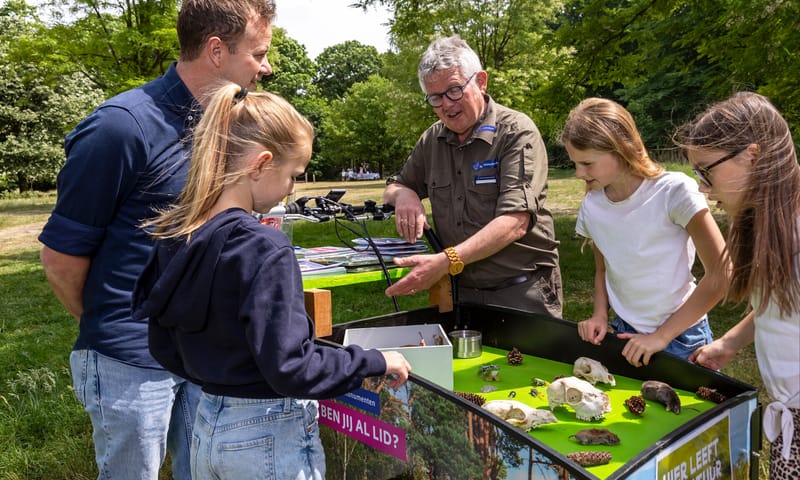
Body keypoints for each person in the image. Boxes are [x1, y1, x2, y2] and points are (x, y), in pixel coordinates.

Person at [37, 1, 277, 478]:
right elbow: (61, 259)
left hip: (199, 354)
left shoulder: (223, 126)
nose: (266, 67)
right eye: (259, 53)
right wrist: (120, 329)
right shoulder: (120, 126)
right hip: (129, 361)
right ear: (215, 51)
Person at [131, 83, 411, 480]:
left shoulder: (179, 234)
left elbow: (162, 344)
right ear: (261, 164)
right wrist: (374, 360)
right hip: (267, 430)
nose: (293, 188)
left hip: (206, 425)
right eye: (293, 175)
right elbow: (291, 366)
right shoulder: (264, 247)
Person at [383, 35, 562, 316]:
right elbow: (396, 184)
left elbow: (516, 221)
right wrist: (404, 194)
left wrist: (447, 260)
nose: (446, 104)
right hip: (460, 293)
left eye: (454, 90)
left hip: (521, 293)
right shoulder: (432, 139)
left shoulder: (516, 131)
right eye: (435, 97)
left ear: (481, 81)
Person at [678, 92, 800, 479]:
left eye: (706, 170)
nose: (701, 186)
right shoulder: (771, 229)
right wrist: (729, 343)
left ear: (751, 154)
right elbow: (779, 305)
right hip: (788, 415)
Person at [559, 98, 730, 366]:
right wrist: (599, 315)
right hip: (626, 335)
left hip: (683, 338)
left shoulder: (675, 192)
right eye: (575, 164)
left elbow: (722, 275)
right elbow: (603, 270)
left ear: (620, 149)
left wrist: (661, 337)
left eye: (587, 163)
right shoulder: (592, 206)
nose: (579, 173)